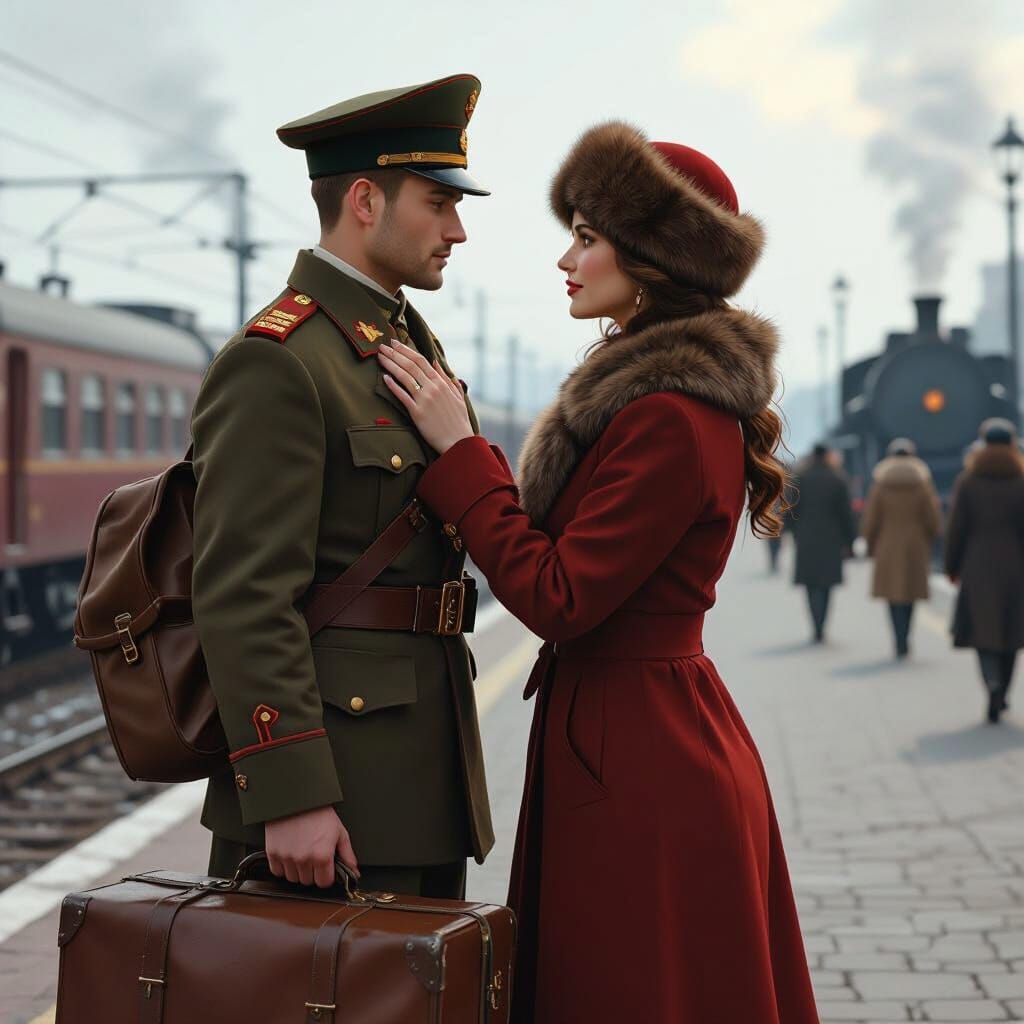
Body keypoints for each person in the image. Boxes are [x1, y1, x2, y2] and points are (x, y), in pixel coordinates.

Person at [378, 122, 819, 1023]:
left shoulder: (664, 415)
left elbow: (559, 598)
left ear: (651, 254)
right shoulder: (659, 401)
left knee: (627, 986)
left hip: (641, 754)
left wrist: (461, 458)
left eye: (585, 234)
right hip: (644, 731)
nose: (565, 259)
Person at [189, 74, 494, 898]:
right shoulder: (280, 358)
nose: (457, 230)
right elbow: (243, 592)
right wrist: (292, 793)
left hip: (417, 775)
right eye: (438, 202)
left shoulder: (401, 341)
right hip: (332, 801)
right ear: (365, 199)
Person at [945, 418, 1024, 724]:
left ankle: (990, 683)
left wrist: (952, 566)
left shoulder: (969, 480)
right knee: (1013, 633)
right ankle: (1003, 690)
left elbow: (956, 529)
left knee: (983, 630)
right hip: (1016, 566)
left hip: (977, 564)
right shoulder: (1020, 480)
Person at [859, 438, 941, 659]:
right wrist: (932, 536)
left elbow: (871, 519)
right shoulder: (922, 482)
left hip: (888, 544)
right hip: (916, 545)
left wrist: (869, 542)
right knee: (911, 594)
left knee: (892, 595)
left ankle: (898, 639)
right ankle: (907, 636)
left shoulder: (881, 483)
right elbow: (932, 518)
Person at [787, 443, 856, 643]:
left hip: (806, 538)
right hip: (831, 540)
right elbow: (846, 515)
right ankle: (823, 624)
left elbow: (791, 509)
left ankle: (815, 625)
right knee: (826, 585)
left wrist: (791, 532)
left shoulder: (800, 479)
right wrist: (850, 541)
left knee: (810, 585)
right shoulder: (837, 479)